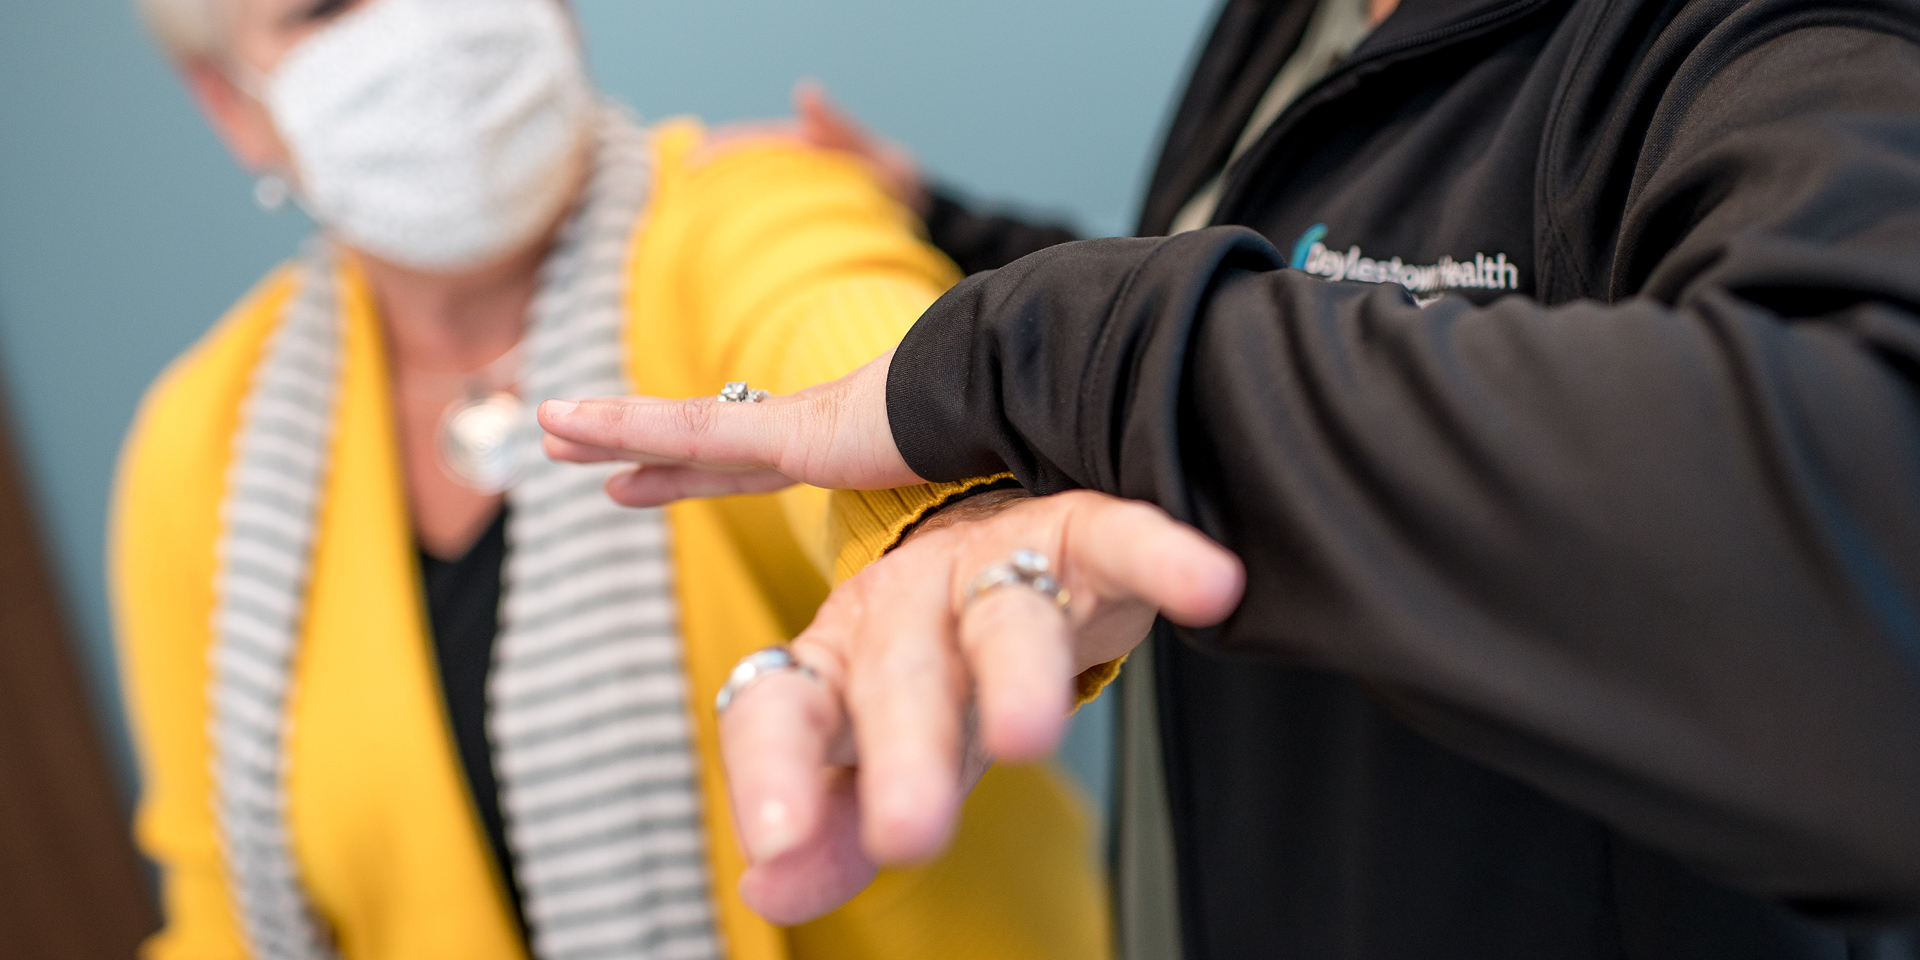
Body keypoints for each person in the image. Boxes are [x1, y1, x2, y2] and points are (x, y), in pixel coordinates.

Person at [537, 0, 1920, 955]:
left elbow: (1868, 583)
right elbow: (1298, 283)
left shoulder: (1782, 45)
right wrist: (966, 238)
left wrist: (1071, 350)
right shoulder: (1298, 21)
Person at [110, 1, 1111, 959]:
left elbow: (831, 311)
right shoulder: (199, 446)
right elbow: (222, 905)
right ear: (231, 101)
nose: (417, 24)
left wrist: (937, 497)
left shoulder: (747, 197)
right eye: (324, 5)